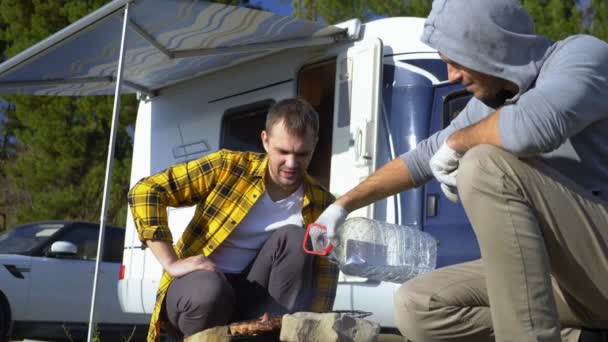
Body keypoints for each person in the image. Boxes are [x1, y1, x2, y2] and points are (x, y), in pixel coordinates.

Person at [312, 0, 608, 341]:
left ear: (489, 46)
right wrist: (341, 206)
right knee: (417, 305)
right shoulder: (490, 104)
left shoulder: (583, 57)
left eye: (455, 61)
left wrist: (457, 145)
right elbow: (420, 159)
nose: (451, 76)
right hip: (568, 286)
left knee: (484, 166)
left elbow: (531, 128)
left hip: (600, 267)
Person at [128, 98, 338, 342]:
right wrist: (171, 262)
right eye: (283, 152)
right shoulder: (228, 167)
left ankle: (272, 336)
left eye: (302, 154)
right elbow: (145, 191)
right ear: (265, 141)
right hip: (201, 292)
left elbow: (324, 277)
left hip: (256, 302)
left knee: (296, 238)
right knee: (211, 291)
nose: (291, 164)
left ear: (315, 145)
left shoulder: (323, 203)